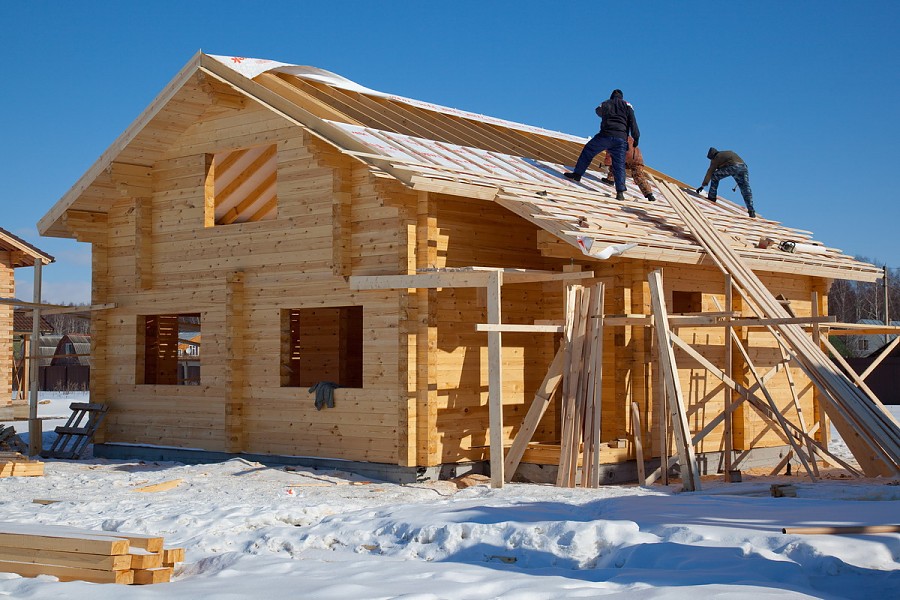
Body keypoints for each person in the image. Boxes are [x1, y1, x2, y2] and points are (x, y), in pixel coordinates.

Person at [564, 89, 640, 201]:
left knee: (588, 151)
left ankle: (577, 175)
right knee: (619, 165)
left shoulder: (606, 103)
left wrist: (608, 114)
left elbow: (598, 111)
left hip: (605, 135)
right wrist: (636, 137)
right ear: (621, 97)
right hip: (620, 138)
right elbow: (633, 122)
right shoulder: (627, 105)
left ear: (612, 96)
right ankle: (620, 192)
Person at [696, 147, 755, 218]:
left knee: (715, 176)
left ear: (712, 156)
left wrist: (703, 185)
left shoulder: (716, 157)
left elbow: (710, 171)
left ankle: (712, 197)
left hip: (734, 167)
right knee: (745, 189)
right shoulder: (725, 154)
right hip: (743, 167)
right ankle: (751, 211)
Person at [600, 136, 655, 201]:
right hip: (637, 158)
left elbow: (610, 154)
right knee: (639, 175)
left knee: (616, 167)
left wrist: (606, 164)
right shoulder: (629, 137)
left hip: (625, 157)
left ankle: (612, 182)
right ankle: (649, 194)